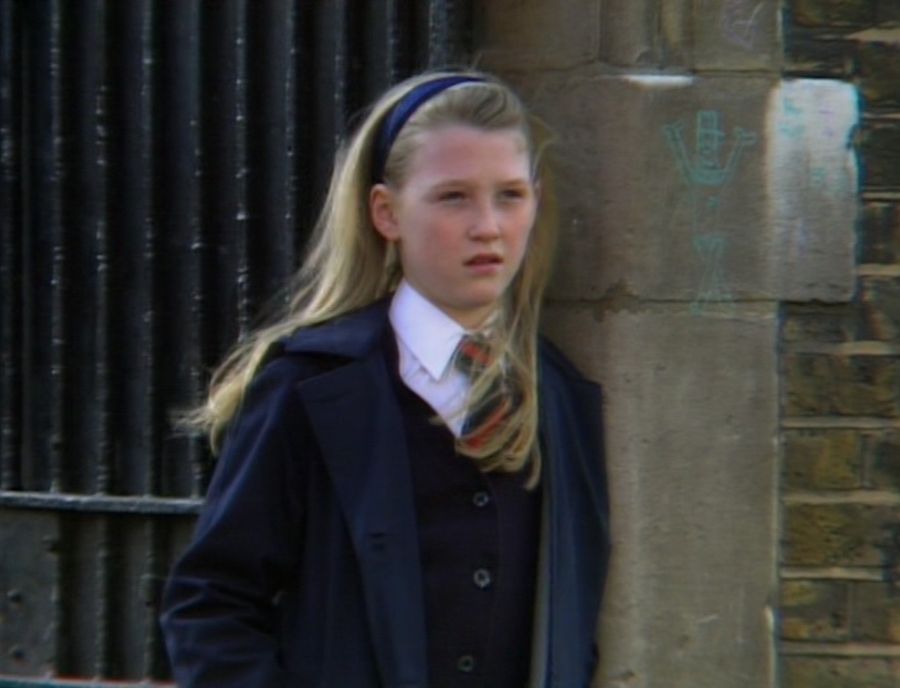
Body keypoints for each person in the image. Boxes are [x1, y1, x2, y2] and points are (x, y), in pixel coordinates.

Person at [160, 70, 610, 688]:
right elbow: (211, 603)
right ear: (386, 212)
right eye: (453, 197)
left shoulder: (562, 399)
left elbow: (572, 627)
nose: (488, 225)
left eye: (509, 195)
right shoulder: (309, 387)